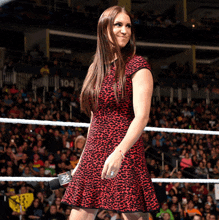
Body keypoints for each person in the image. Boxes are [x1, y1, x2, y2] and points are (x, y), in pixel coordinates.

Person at [61, 5, 159, 220]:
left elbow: (141, 117)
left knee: (133, 216)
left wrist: (119, 152)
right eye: (118, 25)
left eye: (128, 26)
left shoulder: (137, 65)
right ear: (104, 28)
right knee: (79, 215)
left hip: (124, 149)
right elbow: (95, 119)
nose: (125, 30)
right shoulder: (95, 69)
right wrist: (81, 162)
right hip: (94, 151)